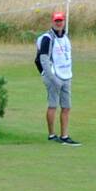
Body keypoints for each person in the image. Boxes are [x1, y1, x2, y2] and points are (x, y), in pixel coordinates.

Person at [35, 11, 79, 145]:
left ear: (64, 22)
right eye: (56, 21)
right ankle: (52, 135)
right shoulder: (48, 38)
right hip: (53, 77)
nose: (59, 23)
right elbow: (43, 59)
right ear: (53, 22)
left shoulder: (65, 37)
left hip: (66, 76)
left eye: (61, 21)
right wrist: (53, 79)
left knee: (66, 107)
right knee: (53, 105)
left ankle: (64, 136)